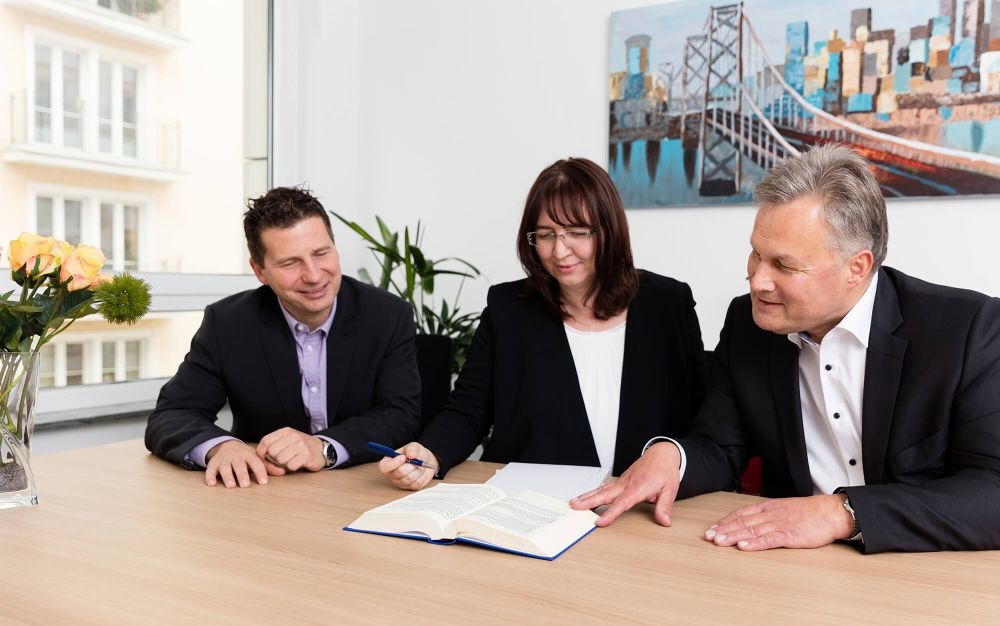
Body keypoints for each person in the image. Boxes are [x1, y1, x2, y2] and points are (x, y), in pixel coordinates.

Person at [572, 144, 1000, 553]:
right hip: (788, 566)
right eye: (756, 255)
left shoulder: (967, 330)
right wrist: (671, 456)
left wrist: (842, 513)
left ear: (857, 268)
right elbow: (720, 446)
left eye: (784, 265)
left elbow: (992, 491)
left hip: (925, 569)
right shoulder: (748, 323)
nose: (758, 280)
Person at [379, 157, 706, 490]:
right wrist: (431, 453)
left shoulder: (667, 304)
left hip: (642, 502)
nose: (559, 251)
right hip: (533, 502)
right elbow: (468, 412)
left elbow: (702, 420)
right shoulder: (508, 309)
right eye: (546, 234)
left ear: (610, 229)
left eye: (576, 232)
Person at [145, 186, 421, 488]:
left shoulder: (387, 315)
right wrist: (220, 447)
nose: (313, 275)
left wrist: (323, 447)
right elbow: (173, 414)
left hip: (361, 488)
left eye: (321, 253)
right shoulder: (228, 323)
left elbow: (399, 415)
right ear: (260, 271)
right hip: (266, 490)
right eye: (290, 263)